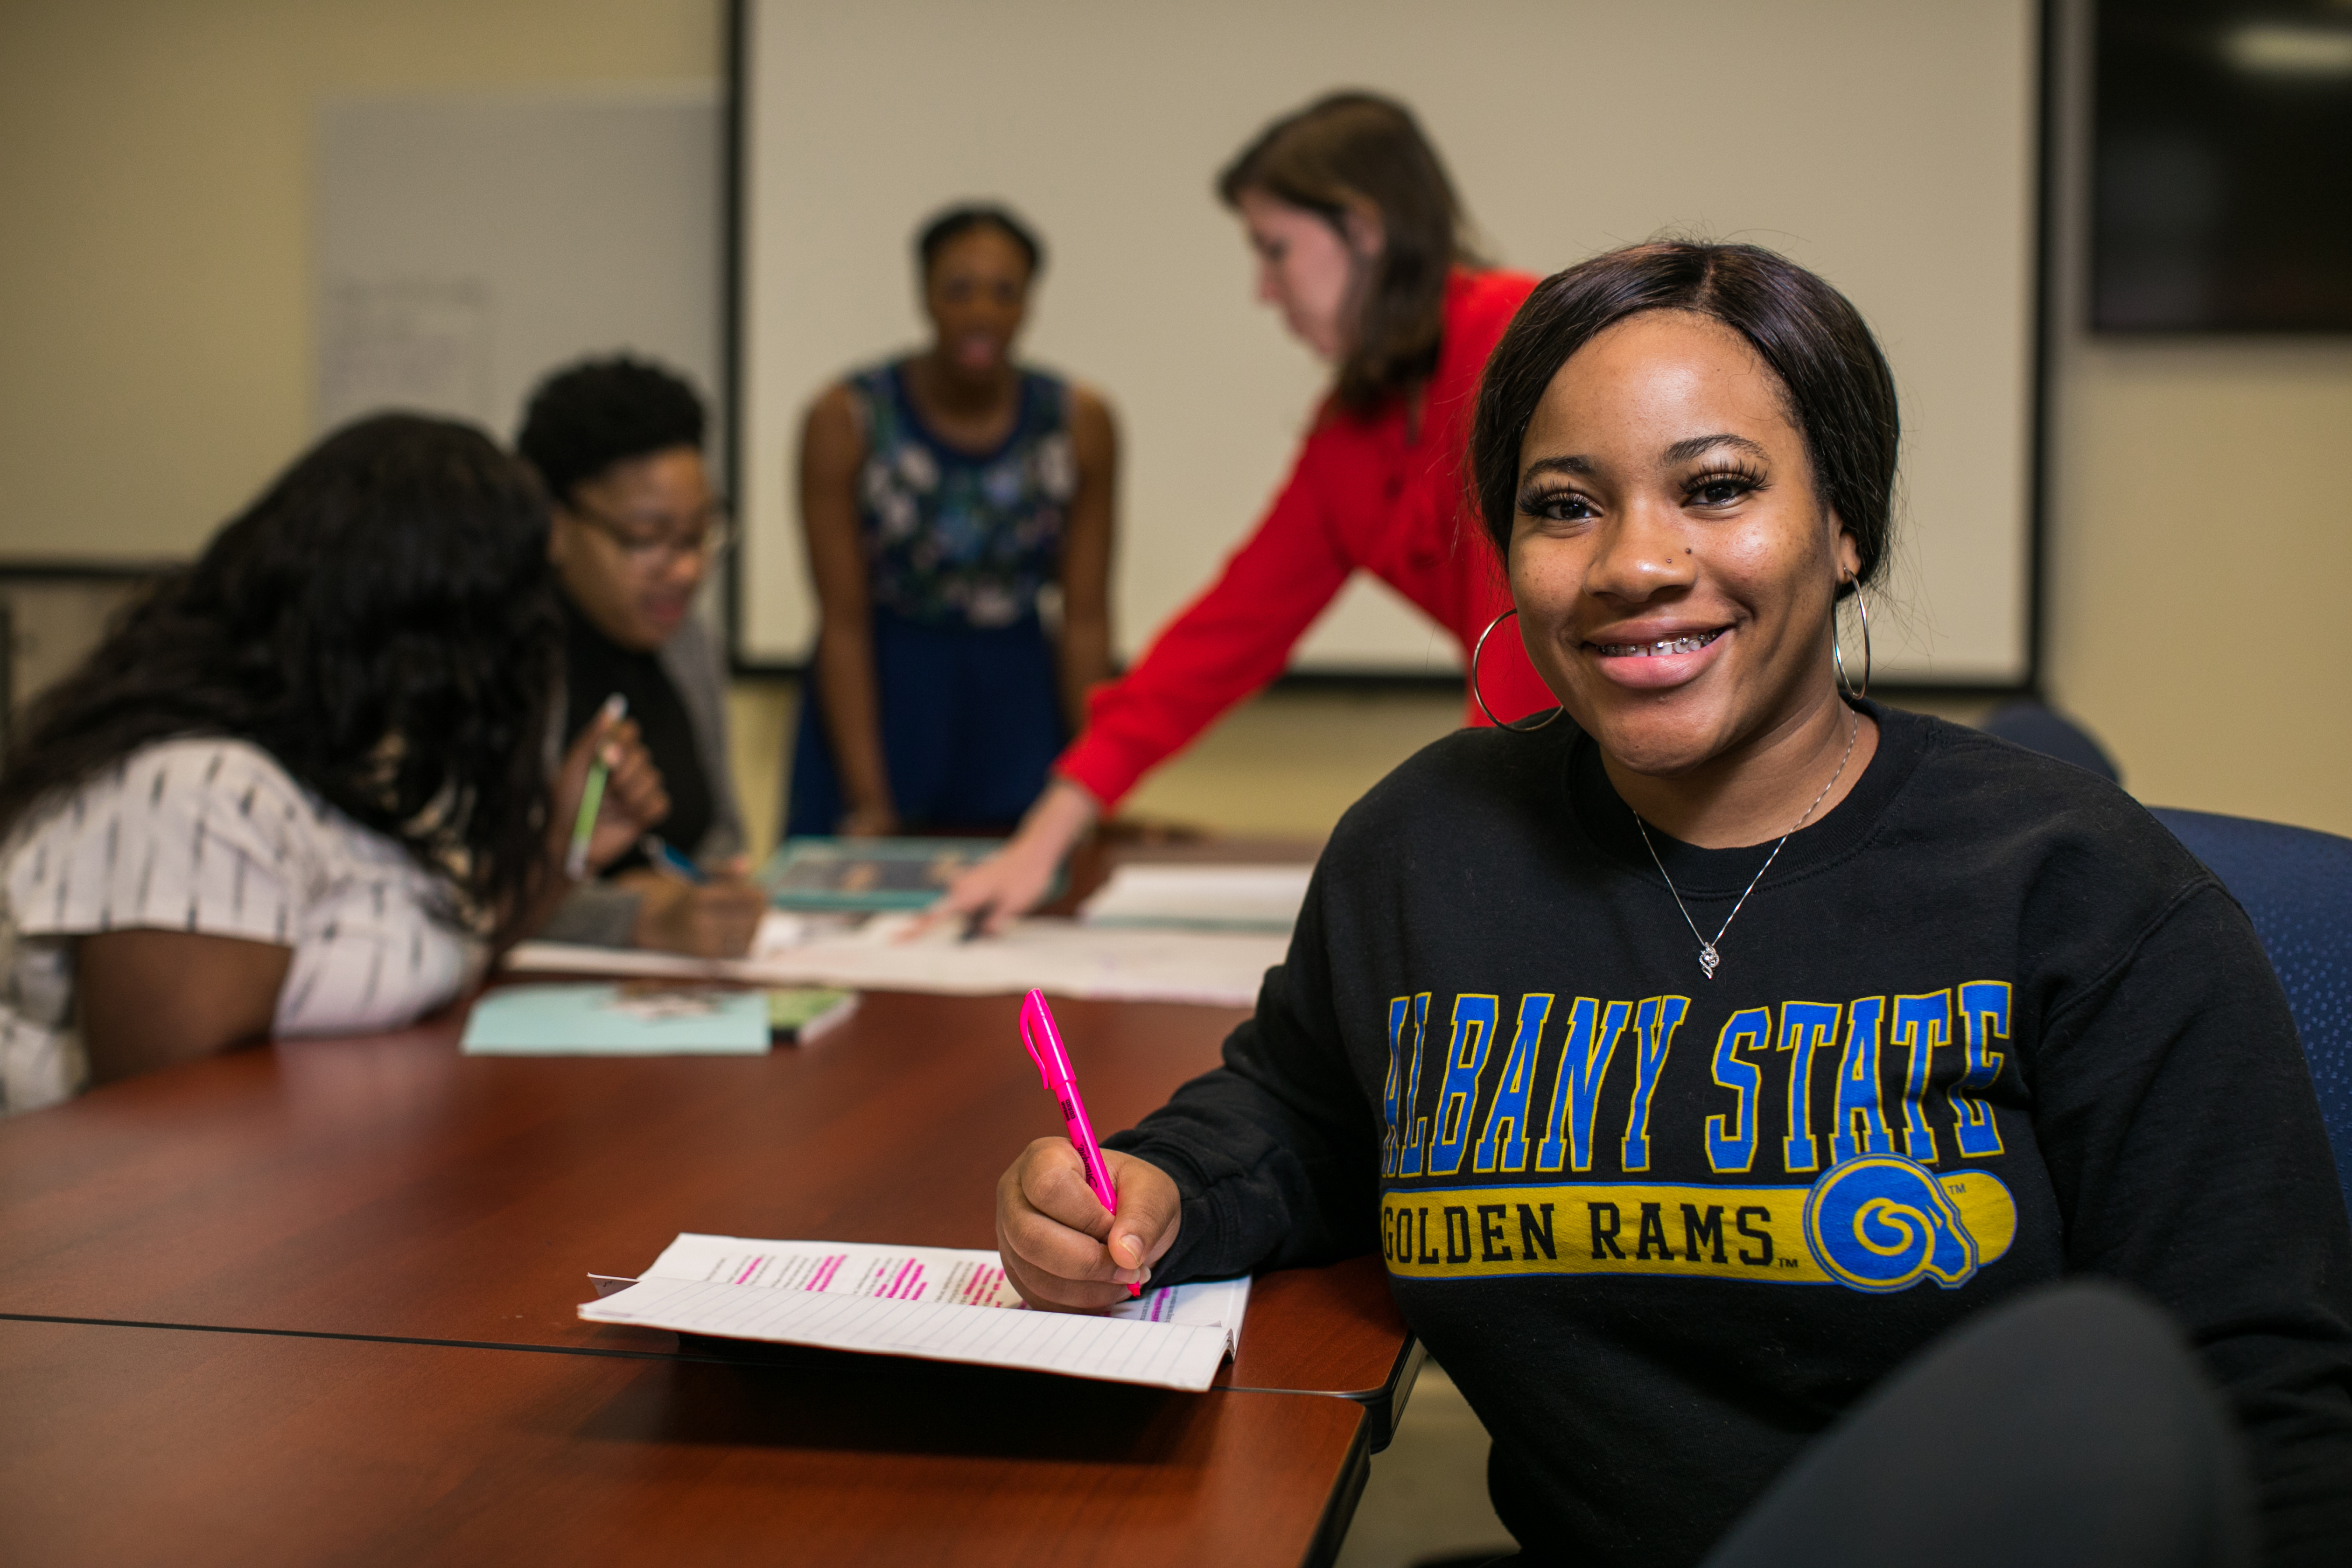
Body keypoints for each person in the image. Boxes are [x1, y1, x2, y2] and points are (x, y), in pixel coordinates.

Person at [992, 243, 2352, 1564]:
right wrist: (1153, 1185)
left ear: (1844, 525)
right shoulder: (1426, 845)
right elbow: (1308, 1114)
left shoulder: (2083, 888)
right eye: (1564, 505)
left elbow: (2262, 1406)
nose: (1633, 565)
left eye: (1715, 488)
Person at [943, 92, 1554, 929]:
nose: (1264, 291)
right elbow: (1225, 634)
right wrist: (1045, 838)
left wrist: (1475, 868)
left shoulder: (1522, 341)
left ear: (1364, 229)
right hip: (1547, 799)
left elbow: (1524, 639)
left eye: (1275, 250)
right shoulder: (1355, 429)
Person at [0, 415, 667, 1113]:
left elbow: (426, 953)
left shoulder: (347, 757)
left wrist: (563, 847)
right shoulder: (194, 794)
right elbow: (163, 1133)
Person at [787, 203, 1118, 837]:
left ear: (1030, 304)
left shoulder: (1078, 422)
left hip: (1018, 699)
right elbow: (843, 622)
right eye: (959, 290)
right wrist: (869, 799)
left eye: (1005, 292)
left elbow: (1085, 620)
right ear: (924, 296)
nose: (981, 313)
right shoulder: (847, 417)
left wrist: (1094, 787)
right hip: (884, 695)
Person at [517, 356, 767, 959]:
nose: (686, 570)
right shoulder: (498, 657)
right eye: (647, 537)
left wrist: (715, 894)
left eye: (699, 534)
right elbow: (466, 902)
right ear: (555, 526)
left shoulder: (688, 644)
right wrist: (640, 917)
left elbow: (720, 841)